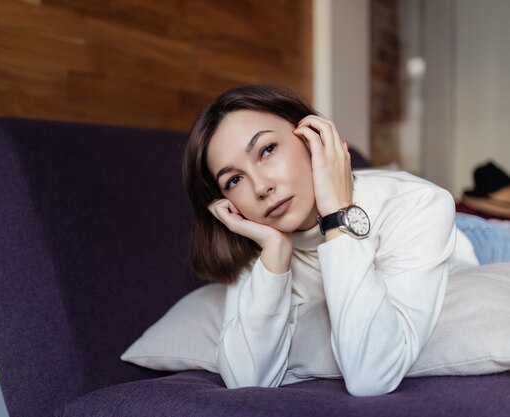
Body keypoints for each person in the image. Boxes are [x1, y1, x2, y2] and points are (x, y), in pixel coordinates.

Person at [182, 84, 510, 397]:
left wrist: (336, 215)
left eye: (267, 150)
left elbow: (372, 375)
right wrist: (275, 255)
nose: (260, 187)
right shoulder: (256, 239)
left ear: (312, 138)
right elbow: (246, 381)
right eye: (234, 179)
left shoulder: (418, 202)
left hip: (475, 238)